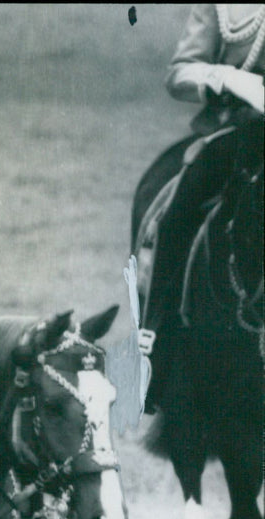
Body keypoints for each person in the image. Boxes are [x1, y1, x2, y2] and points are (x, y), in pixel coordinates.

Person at [139, 4, 265, 407]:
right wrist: (228, 79)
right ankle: (156, 344)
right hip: (242, 130)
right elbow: (181, 71)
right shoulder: (226, 6)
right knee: (176, 212)